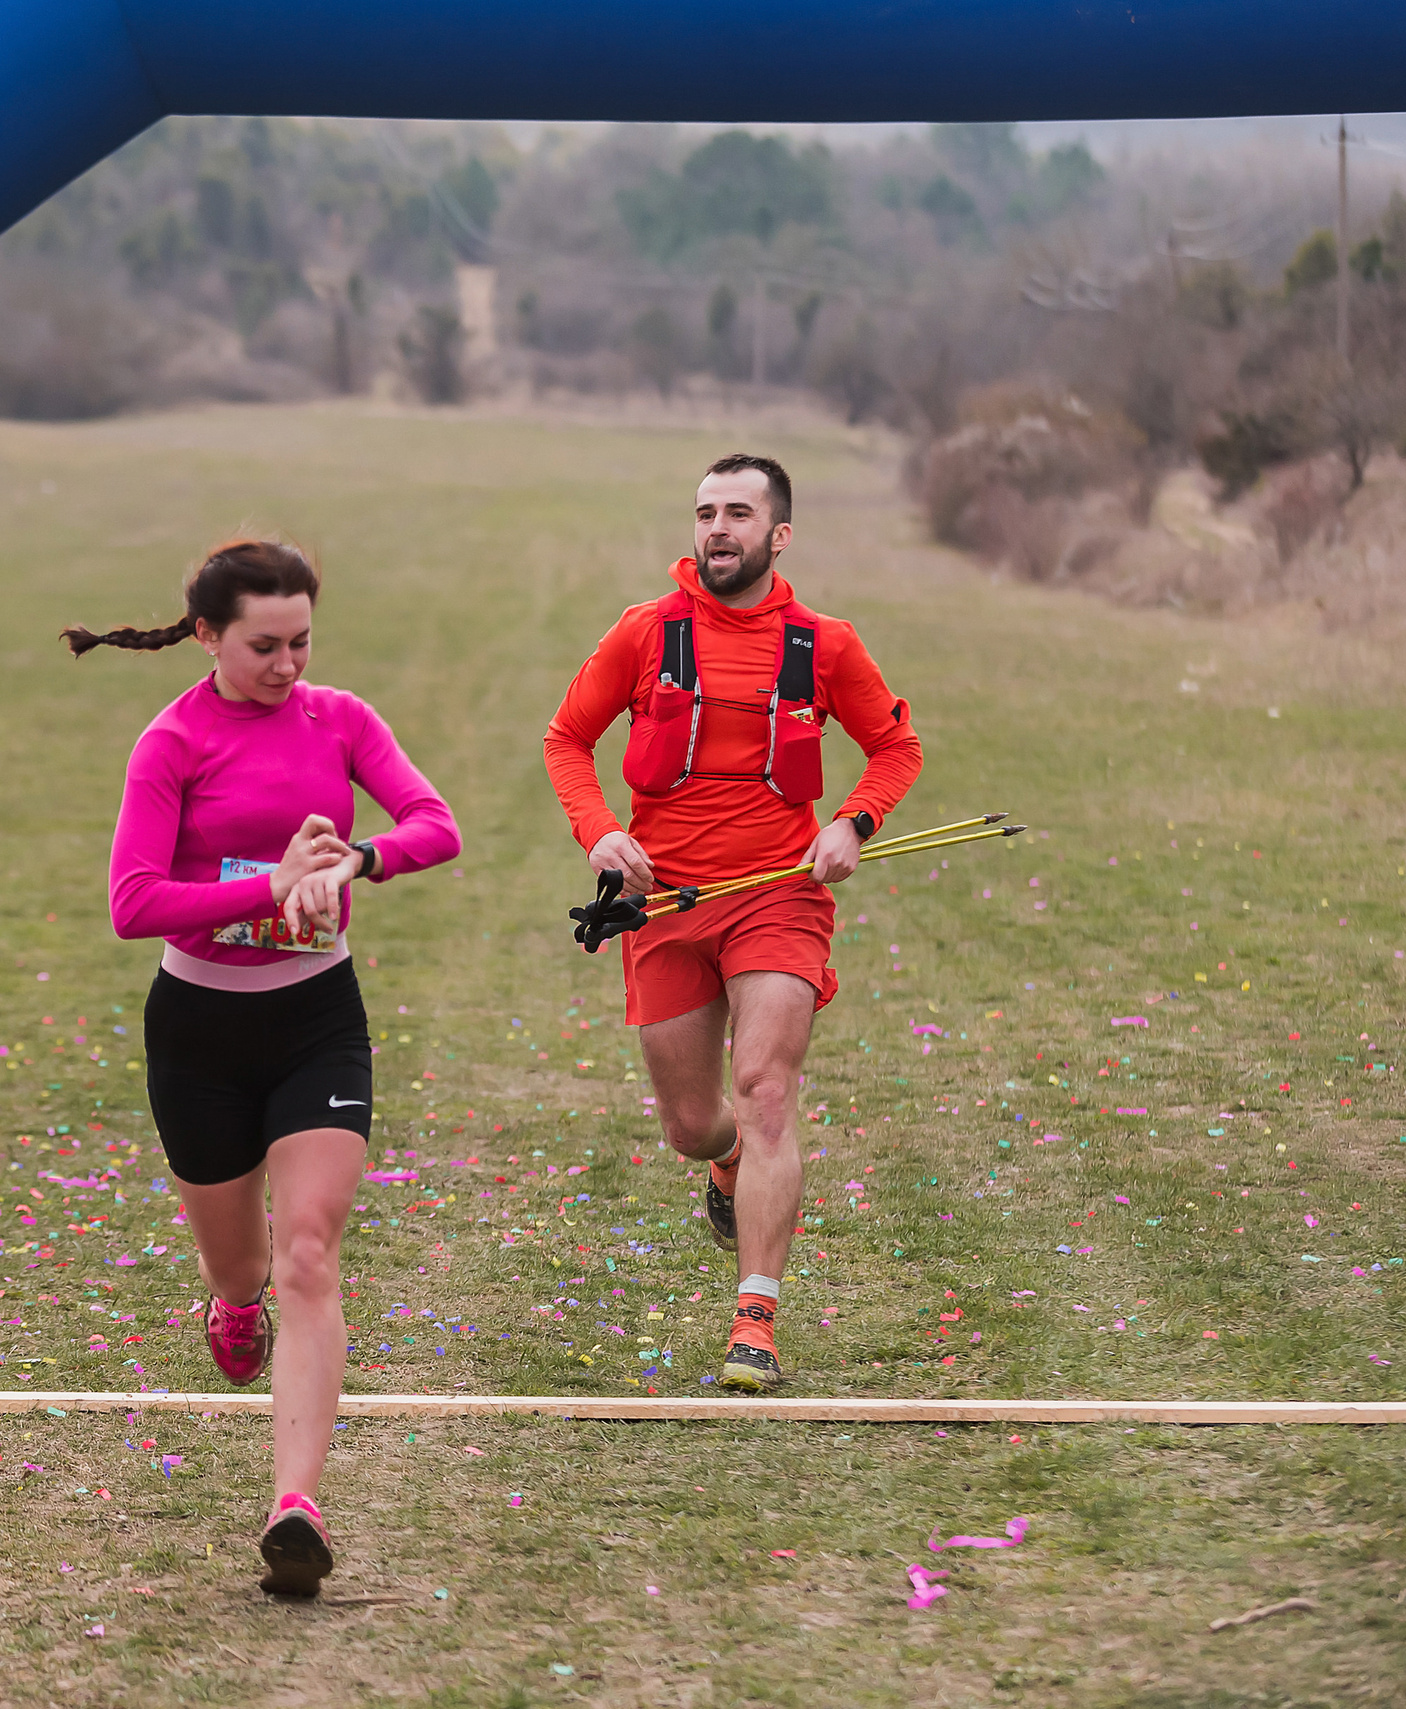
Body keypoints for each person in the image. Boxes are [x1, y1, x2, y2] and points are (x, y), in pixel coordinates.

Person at [66, 539, 460, 1598]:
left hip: (315, 1021)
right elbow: (133, 901)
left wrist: (358, 858)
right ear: (206, 634)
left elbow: (438, 826)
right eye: (263, 646)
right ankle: (230, 1302)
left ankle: (296, 1506)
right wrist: (269, 885)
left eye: (301, 642)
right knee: (242, 1270)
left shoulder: (342, 719)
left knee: (310, 1254)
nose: (287, 665)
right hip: (198, 1029)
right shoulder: (171, 741)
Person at [542, 454, 921, 1393]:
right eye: (706, 511)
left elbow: (895, 746)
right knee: (692, 1123)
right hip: (667, 904)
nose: (718, 527)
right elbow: (567, 739)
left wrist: (853, 821)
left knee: (766, 1088)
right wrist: (601, 833)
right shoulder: (644, 631)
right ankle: (725, 1164)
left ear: (778, 535)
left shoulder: (824, 644)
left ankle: (755, 1322)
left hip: (779, 897)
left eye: (739, 513)